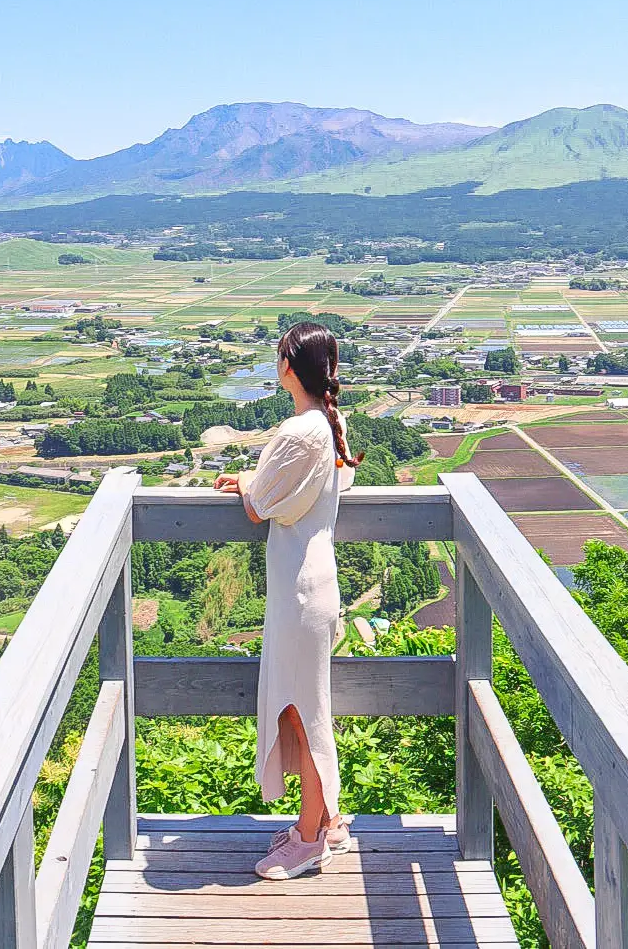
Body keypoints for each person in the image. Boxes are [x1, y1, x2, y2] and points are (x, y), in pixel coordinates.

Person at [214, 320, 362, 880]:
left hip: (300, 589)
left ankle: (309, 838)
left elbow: (261, 506)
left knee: (303, 713)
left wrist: (246, 487)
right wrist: (255, 486)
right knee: (308, 707)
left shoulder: (300, 432)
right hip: (314, 583)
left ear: (287, 368)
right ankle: (325, 821)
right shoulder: (327, 424)